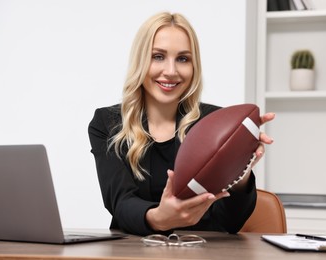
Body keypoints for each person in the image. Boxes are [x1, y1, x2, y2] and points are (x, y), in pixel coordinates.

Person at [88, 12, 275, 236]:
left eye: (183, 59)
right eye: (158, 56)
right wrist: (158, 219)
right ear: (140, 61)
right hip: (133, 251)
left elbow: (230, 223)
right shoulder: (107, 123)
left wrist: (241, 168)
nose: (171, 71)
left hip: (203, 251)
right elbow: (119, 203)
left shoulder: (217, 123)